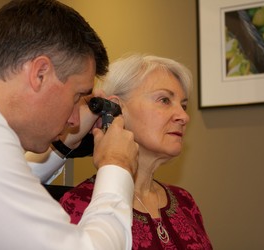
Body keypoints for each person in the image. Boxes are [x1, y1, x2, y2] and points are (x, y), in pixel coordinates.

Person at [0, 0, 138, 249]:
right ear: (40, 73)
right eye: (77, 96)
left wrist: (61, 147)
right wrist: (117, 166)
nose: (74, 120)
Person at [59, 54, 213, 249]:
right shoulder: (79, 203)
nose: (184, 116)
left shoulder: (185, 201)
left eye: (183, 106)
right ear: (117, 109)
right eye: (164, 100)